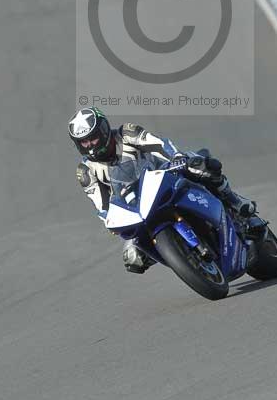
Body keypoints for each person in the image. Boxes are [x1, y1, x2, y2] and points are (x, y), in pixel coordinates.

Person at [69, 106, 257, 274]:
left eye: (92, 138)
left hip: (167, 172)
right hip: (136, 205)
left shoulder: (127, 133)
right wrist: (112, 223)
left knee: (202, 166)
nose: (90, 145)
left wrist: (176, 156)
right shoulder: (85, 171)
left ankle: (236, 203)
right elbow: (102, 207)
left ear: (103, 131)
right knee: (132, 258)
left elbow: (159, 144)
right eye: (84, 142)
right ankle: (180, 255)